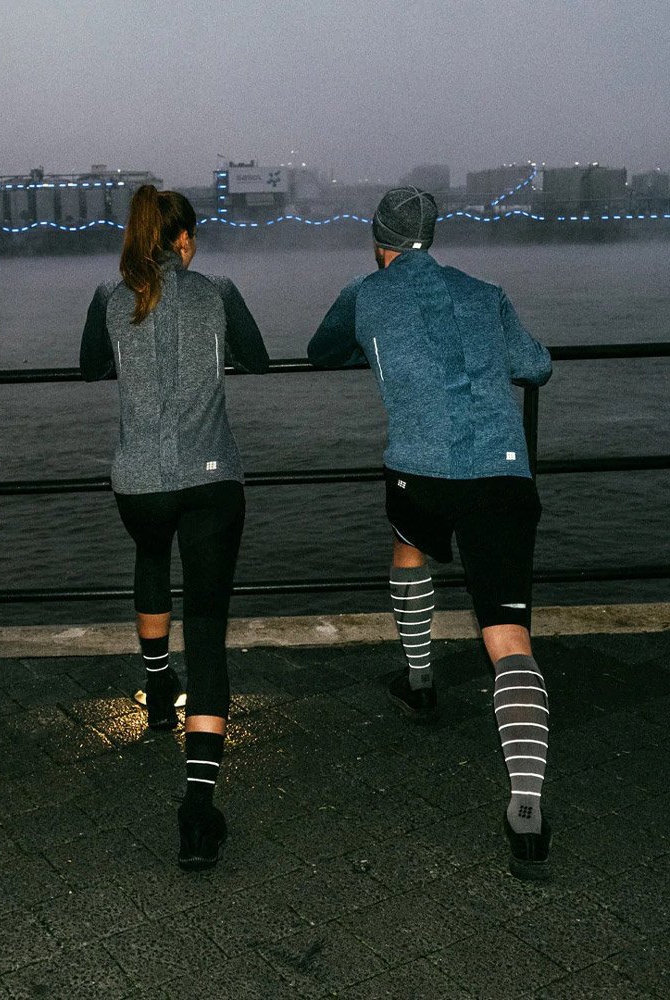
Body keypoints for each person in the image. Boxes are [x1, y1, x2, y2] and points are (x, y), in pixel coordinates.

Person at [307, 187, 553, 880]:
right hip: (502, 475)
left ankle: (419, 680)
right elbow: (536, 364)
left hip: (421, 472)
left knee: (409, 545)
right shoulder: (485, 293)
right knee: (508, 635)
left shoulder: (366, 294)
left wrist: (384, 350)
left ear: (376, 239)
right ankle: (527, 809)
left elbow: (321, 351)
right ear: (433, 236)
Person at [80, 185, 269, 870]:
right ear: (183, 238)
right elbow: (258, 359)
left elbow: (89, 366)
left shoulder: (110, 298)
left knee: (151, 557)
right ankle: (197, 809)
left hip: (139, 484)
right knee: (208, 631)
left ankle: (159, 687)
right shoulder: (218, 293)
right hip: (211, 481)